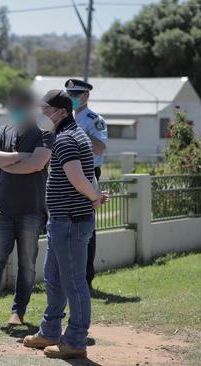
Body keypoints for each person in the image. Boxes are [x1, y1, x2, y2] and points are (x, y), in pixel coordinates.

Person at [23, 90, 108, 359]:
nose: (41, 115)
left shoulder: (67, 139)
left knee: (73, 283)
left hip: (69, 222)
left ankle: (75, 340)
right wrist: (94, 195)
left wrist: (93, 195)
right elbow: (88, 173)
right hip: (65, 221)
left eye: (45, 110)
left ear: (60, 112)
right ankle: (49, 331)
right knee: (55, 279)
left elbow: (76, 177)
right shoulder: (74, 135)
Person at [0, 88, 53, 328]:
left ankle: (18, 312)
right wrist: (20, 156)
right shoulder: (4, 131)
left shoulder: (44, 133)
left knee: (26, 264)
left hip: (31, 211)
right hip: (2, 210)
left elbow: (37, 164)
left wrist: (5, 163)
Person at [65, 79, 108, 289]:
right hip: (66, 175)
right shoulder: (64, 118)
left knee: (86, 227)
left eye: (76, 95)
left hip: (88, 173)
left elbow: (100, 148)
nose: (72, 98)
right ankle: (69, 276)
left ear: (86, 96)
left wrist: (79, 137)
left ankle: (86, 278)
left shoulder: (94, 120)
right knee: (66, 225)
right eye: (69, 95)